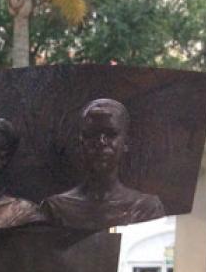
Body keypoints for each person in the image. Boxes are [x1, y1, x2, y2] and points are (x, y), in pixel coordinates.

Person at [42, 98, 165, 229]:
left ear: (126, 142)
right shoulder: (55, 209)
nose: (101, 142)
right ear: (80, 141)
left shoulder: (146, 209)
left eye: (111, 134)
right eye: (92, 134)